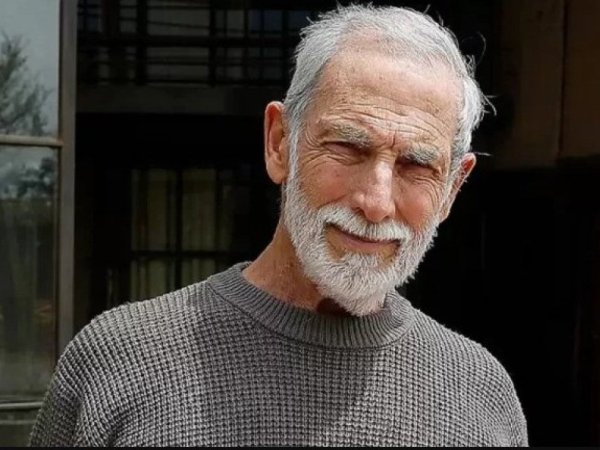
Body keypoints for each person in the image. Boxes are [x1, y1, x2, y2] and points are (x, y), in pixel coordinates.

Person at [30, 4, 528, 447]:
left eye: (416, 166)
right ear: (279, 143)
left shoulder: (479, 392)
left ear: (452, 188)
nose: (376, 203)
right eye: (348, 147)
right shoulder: (120, 359)